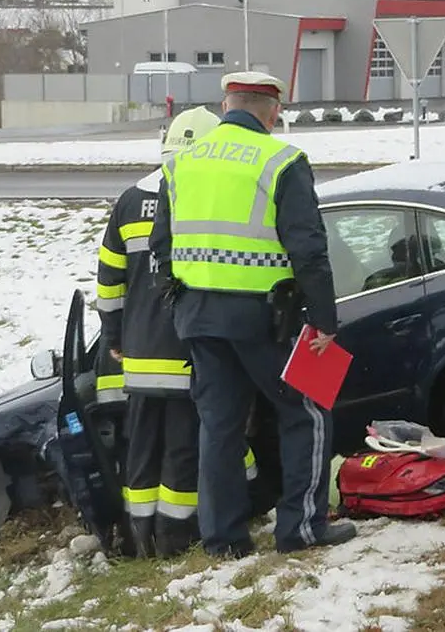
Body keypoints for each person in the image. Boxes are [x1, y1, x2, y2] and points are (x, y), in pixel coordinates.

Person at [148, 71, 356, 557]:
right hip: (266, 320)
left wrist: (176, 299)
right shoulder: (281, 160)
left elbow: (161, 247)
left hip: (198, 316)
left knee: (219, 426)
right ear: (273, 111)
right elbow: (309, 248)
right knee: (307, 412)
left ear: (226, 106)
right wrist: (324, 319)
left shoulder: (182, 163)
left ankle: (223, 539)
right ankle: (301, 529)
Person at [96, 106, 223, 558]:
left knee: (142, 450)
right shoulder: (206, 194)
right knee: (183, 450)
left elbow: (109, 282)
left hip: (141, 356)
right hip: (189, 350)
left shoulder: (130, 201)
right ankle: (175, 540)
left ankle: (139, 537)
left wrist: (114, 337)